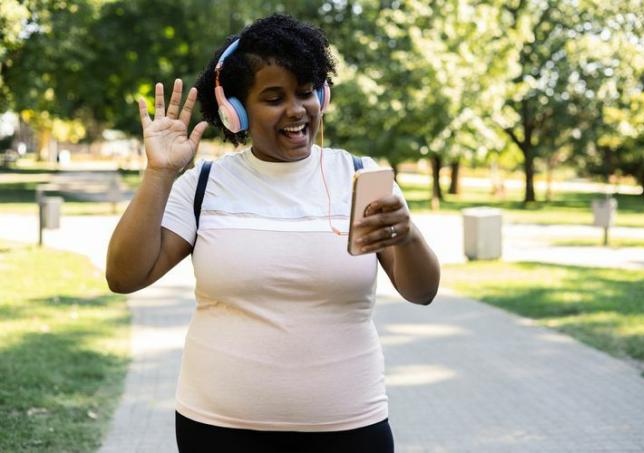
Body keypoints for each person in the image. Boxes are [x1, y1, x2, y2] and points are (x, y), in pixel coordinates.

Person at [106, 14, 440, 453]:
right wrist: (160, 173)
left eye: (305, 93)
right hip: (217, 429)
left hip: (350, 428)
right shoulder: (204, 185)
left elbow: (422, 292)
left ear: (323, 94)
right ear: (236, 110)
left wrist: (407, 234)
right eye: (273, 97)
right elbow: (124, 276)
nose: (297, 110)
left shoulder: (360, 177)